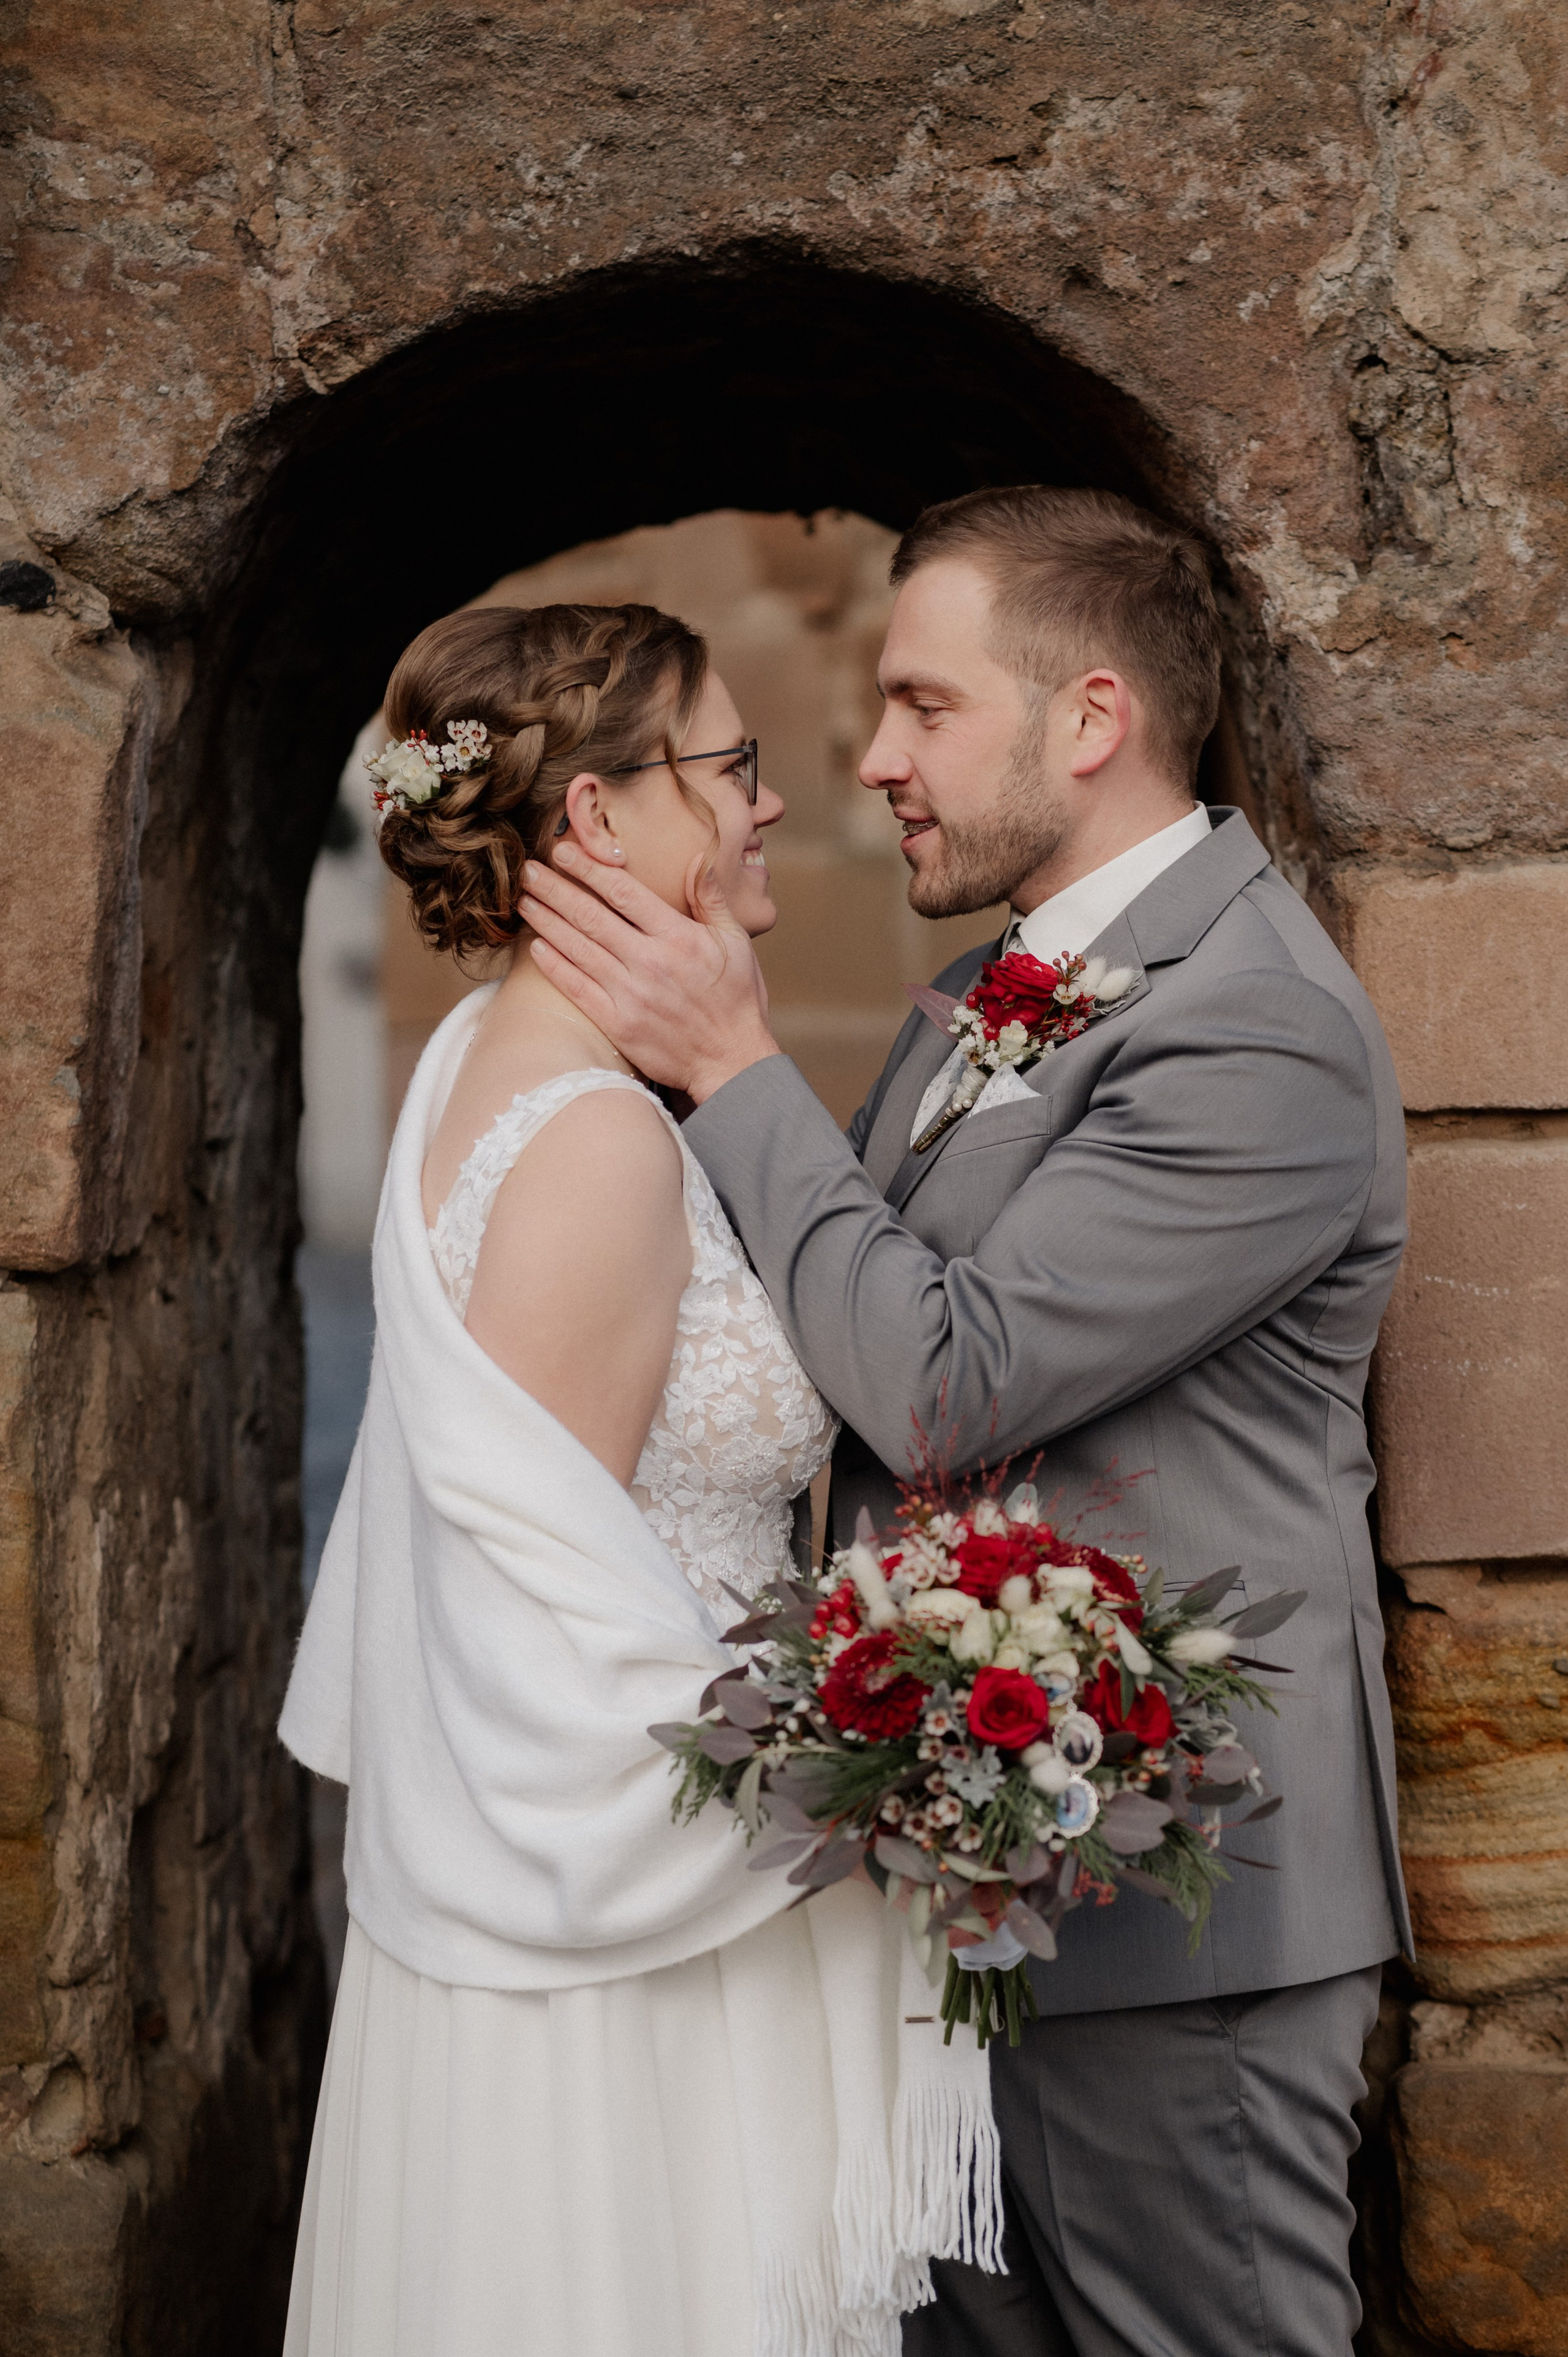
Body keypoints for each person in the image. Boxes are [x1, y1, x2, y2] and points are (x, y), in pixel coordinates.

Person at [520, 488, 1413, 2357]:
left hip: (1178, 1916)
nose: (874, 760)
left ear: (1090, 719)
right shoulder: (989, 990)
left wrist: (732, 1062)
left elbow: (945, 1380)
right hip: (970, 1879)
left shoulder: (1253, 1025)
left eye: (924, 705)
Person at [277, 602, 1001, 2357]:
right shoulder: (596, 1139)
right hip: (629, 1960)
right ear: (600, 816)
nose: (772, 801)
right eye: (731, 765)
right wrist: (884, 1763)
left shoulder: (492, 1055)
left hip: (651, 1901)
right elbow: (544, 1623)